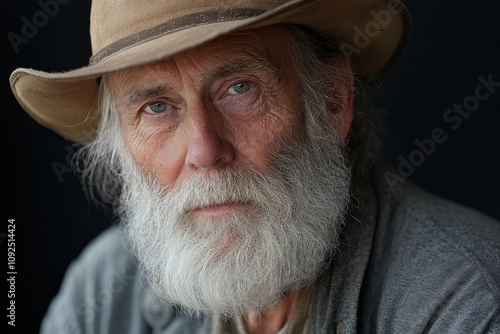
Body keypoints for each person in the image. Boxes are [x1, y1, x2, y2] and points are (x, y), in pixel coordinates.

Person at [9, 0, 500, 333]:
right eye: (157, 108)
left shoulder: (464, 302)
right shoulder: (102, 290)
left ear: (331, 101)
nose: (204, 149)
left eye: (240, 88)